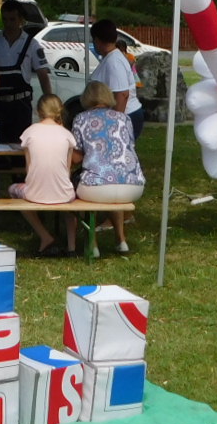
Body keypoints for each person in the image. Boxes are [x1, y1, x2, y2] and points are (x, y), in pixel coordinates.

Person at [0, 0, 52, 195]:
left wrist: (49, 103)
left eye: (12, 19)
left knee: (20, 152)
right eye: (5, 19)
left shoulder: (32, 44)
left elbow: (43, 75)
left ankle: (21, 194)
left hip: (20, 106)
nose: (9, 24)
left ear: (21, 19)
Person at [72, 80, 145, 253]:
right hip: (132, 184)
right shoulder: (124, 118)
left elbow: (76, 158)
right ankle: (121, 240)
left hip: (98, 186)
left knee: (78, 184)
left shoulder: (81, 119)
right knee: (114, 187)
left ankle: (93, 244)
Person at [9, 94, 80, 256]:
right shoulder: (67, 135)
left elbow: (29, 168)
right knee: (71, 207)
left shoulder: (29, 132)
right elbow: (67, 169)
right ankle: (72, 247)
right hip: (63, 193)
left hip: (34, 193)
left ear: (38, 111)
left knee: (13, 190)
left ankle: (44, 235)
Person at [89, 18, 145, 142]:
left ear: (97, 40)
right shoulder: (111, 58)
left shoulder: (114, 62)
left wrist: (115, 124)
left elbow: (122, 94)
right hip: (123, 115)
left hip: (126, 115)